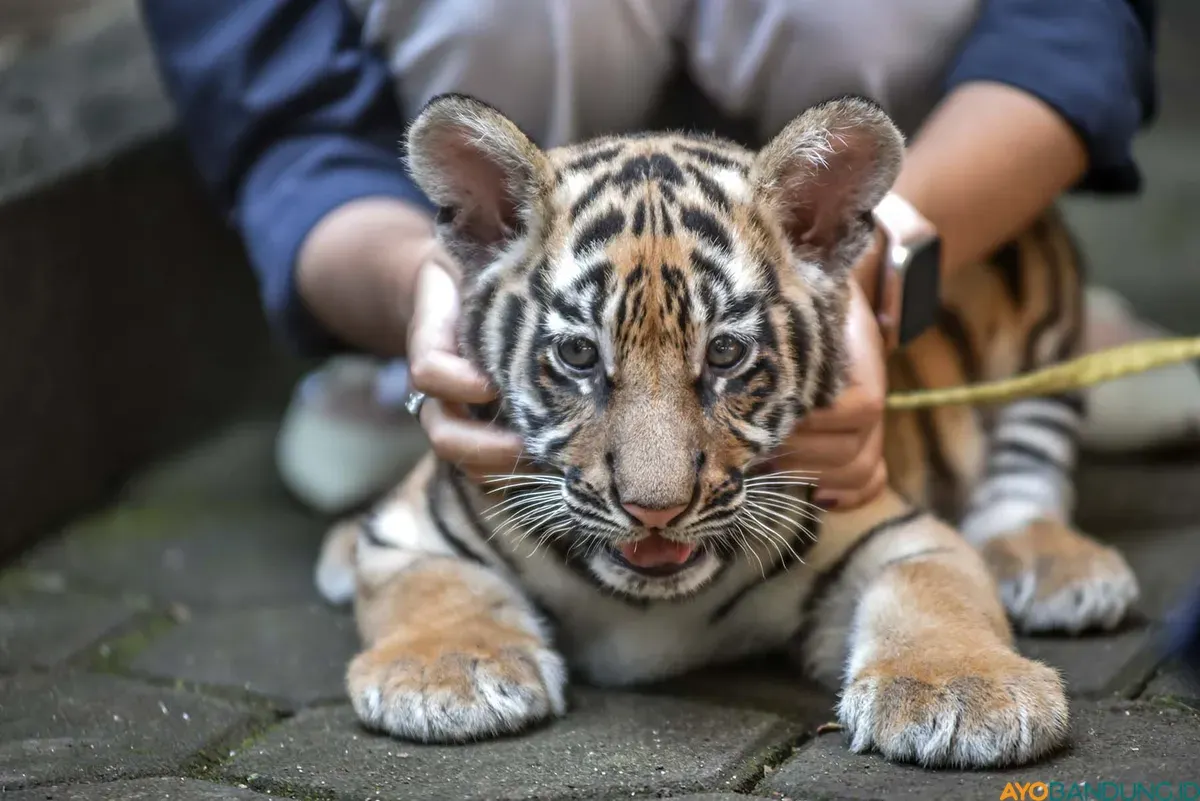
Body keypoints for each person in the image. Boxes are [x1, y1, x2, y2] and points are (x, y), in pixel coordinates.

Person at [140, 0, 1164, 515]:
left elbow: (1069, 29)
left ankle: (982, 302)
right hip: (497, 175)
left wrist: (858, 263)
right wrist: (434, 287)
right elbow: (285, 125)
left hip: (827, 224)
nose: (656, 491)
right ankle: (423, 366)